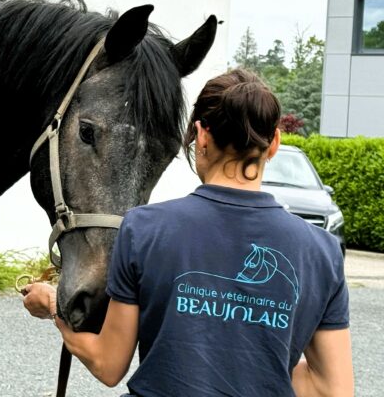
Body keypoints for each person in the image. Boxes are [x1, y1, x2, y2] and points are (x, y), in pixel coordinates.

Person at [23, 69, 353, 397]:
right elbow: (331, 389)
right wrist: (257, 363)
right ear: (274, 143)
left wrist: (53, 305)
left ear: (202, 136)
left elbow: (108, 364)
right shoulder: (322, 252)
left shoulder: (144, 230)